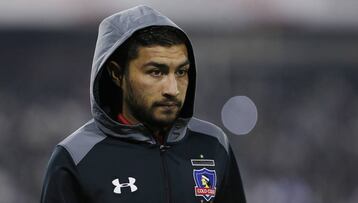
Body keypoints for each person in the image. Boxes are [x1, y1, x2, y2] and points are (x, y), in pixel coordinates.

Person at [40, 5, 246, 203]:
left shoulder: (214, 144)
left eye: (181, 72)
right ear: (117, 73)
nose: (172, 89)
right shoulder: (75, 157)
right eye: (156, 72)